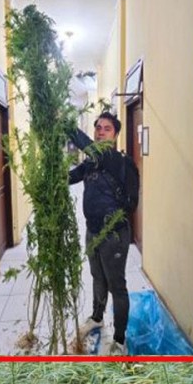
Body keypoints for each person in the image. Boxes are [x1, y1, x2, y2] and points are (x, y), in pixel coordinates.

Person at [68, 111, 139, 355]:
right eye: (98, 127)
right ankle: (97, 317)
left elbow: (132, 203)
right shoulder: (91, 162)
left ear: (116, 134)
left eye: (106, 128)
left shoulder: (119, 161)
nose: (100, 131)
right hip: (92, 231)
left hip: (114, 234)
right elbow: (71, 177)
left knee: (117, 286)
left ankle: (119, 340)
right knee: (98, 277)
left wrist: (66, 125)